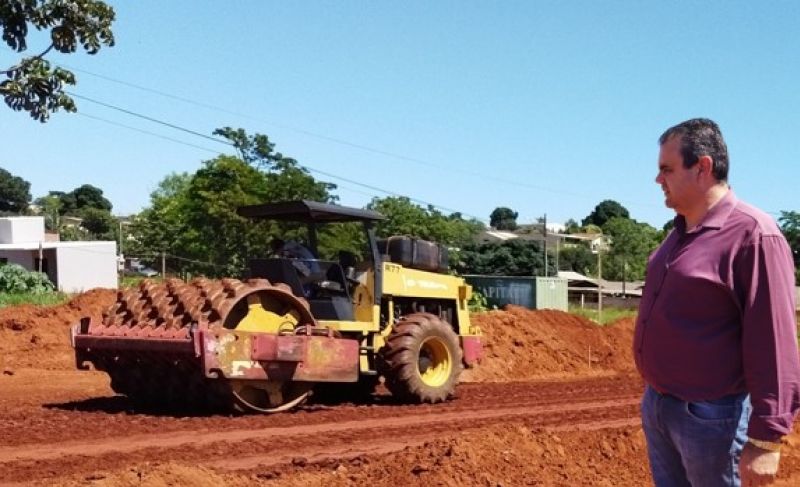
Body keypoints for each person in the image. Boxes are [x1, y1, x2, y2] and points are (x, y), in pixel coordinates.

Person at [635, 118, 800, 486]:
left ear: (703, 167)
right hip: (660, 406)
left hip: (712, 418)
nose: (658, 179)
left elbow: (774, 341)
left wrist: (767, 439)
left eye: (667, 169)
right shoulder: (678, 234)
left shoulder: (754, 236)